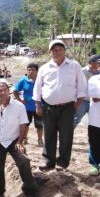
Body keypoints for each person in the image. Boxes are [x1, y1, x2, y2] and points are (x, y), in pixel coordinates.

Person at [33, 40, 87, 171]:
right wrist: (38, 105)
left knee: (66, 134)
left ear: (64, 51)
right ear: (50, 52)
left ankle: (62, 162)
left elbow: (82, 85)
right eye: (54, 50)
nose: (56, 52)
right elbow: (38, 87)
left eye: (59, 49)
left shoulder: (74, 66)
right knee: (49, 134)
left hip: (68, 106)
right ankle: (48, 160)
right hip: (48, 106)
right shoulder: (45, 68)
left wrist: (78, 104)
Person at [0, 82, 38, 197]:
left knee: (24, 160)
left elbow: (23, 125)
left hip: (14, 141)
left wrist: (20, 142)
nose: (2, 92)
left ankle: (30, 190)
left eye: (4, 90)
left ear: (9, 91)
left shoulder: (19, 106)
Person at [13, 63, 44, 147]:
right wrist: (20, 100)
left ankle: (40, 140)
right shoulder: (24, 80)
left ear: (37, 71)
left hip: (39, 107)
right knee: (25, 124)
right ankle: (24, 138)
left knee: (39, 125)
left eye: (33, 70)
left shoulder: (41, 80)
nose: (31, 71)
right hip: (26, 108)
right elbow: (15, 91)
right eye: (29, 70)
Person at [73, 54, 99, 128]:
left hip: (95, 102)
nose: (98, 65)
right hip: (82, 101)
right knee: (75, 120)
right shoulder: (82, 71)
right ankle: (66, 137)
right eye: (97, 63)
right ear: (91, 63)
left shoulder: (99, 72)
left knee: (95, 122)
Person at [87, 71, 100, 176]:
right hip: (96, 117)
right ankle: (95, 165)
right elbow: (94, 96)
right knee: (94, 142)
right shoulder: (94, 79)